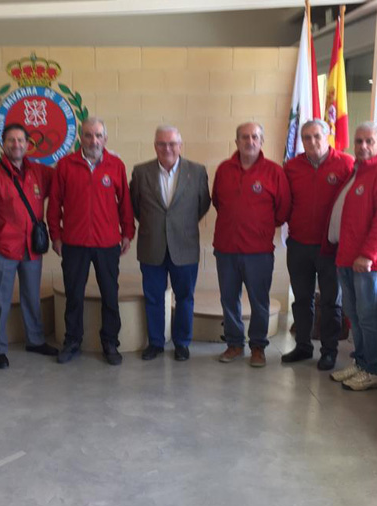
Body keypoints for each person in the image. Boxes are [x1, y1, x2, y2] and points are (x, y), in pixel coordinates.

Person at [47, 117, 136, 366]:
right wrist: (56, 235)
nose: (93, 140)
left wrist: (127, 233)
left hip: (107, 244)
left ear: (105, 139)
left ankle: (110, 343)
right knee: (74, 295)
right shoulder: (65, 165)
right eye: (88, 135)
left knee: (110, 295)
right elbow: (54, 204)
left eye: (98, 136)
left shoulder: (116, 165)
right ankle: (72, 340)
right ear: (80, 138)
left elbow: (125, 204)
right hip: (74, 243)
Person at [0, 123, 59, 369]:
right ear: (3, 144)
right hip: (2, 249)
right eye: (11, 140)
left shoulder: (39, 172)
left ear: (28, 144)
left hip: (31, 249)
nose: (16, 144)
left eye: (20, 140)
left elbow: (62, 179)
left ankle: (35, 340)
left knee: (32, 297)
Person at [327, 121, 377, 391]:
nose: (362, 146)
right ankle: (360, 363)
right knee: (355, 316)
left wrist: (368, 254)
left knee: (370, 319)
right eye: (358, 141)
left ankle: (372, 370)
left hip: (370, 263)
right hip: (349, 259)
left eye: (369, 141)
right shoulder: (358, 172)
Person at [212, 122, 291, 368]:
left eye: (255, 136)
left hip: (258, 252)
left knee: (259, 302)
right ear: (236, 141)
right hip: (226, 249)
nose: (250, 141)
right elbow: (217, 201)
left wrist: (260, 228)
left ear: (261, 141)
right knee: (229, 299)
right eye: (244, 137)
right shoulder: (224, 170)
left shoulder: (274, 172)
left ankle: (258, 347)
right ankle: (235, 344)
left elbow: (283, 210)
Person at [129, 125, 210, 361]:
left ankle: (182, 343)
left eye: (172, 143)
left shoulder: (196, 171)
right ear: (155, 146)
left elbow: (202, 204)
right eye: (162, 144)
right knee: (153, 296)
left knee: (185, 297)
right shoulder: (140, 172)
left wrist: (179, 226)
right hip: (151, 245)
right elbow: (136, 206)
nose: (167, 148)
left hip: (184, 246)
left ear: (180, 146)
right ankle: (155, 342)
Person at [282, 119, 354, 371]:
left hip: (330, 247)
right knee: (301, 299)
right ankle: (303, 346)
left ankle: (329, 351)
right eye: (306, 137)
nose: (312, 142)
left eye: (316, 136)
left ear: (328, 136)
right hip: (299, 244)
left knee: (331, 301)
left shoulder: (346, 164)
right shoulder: (291, 167)